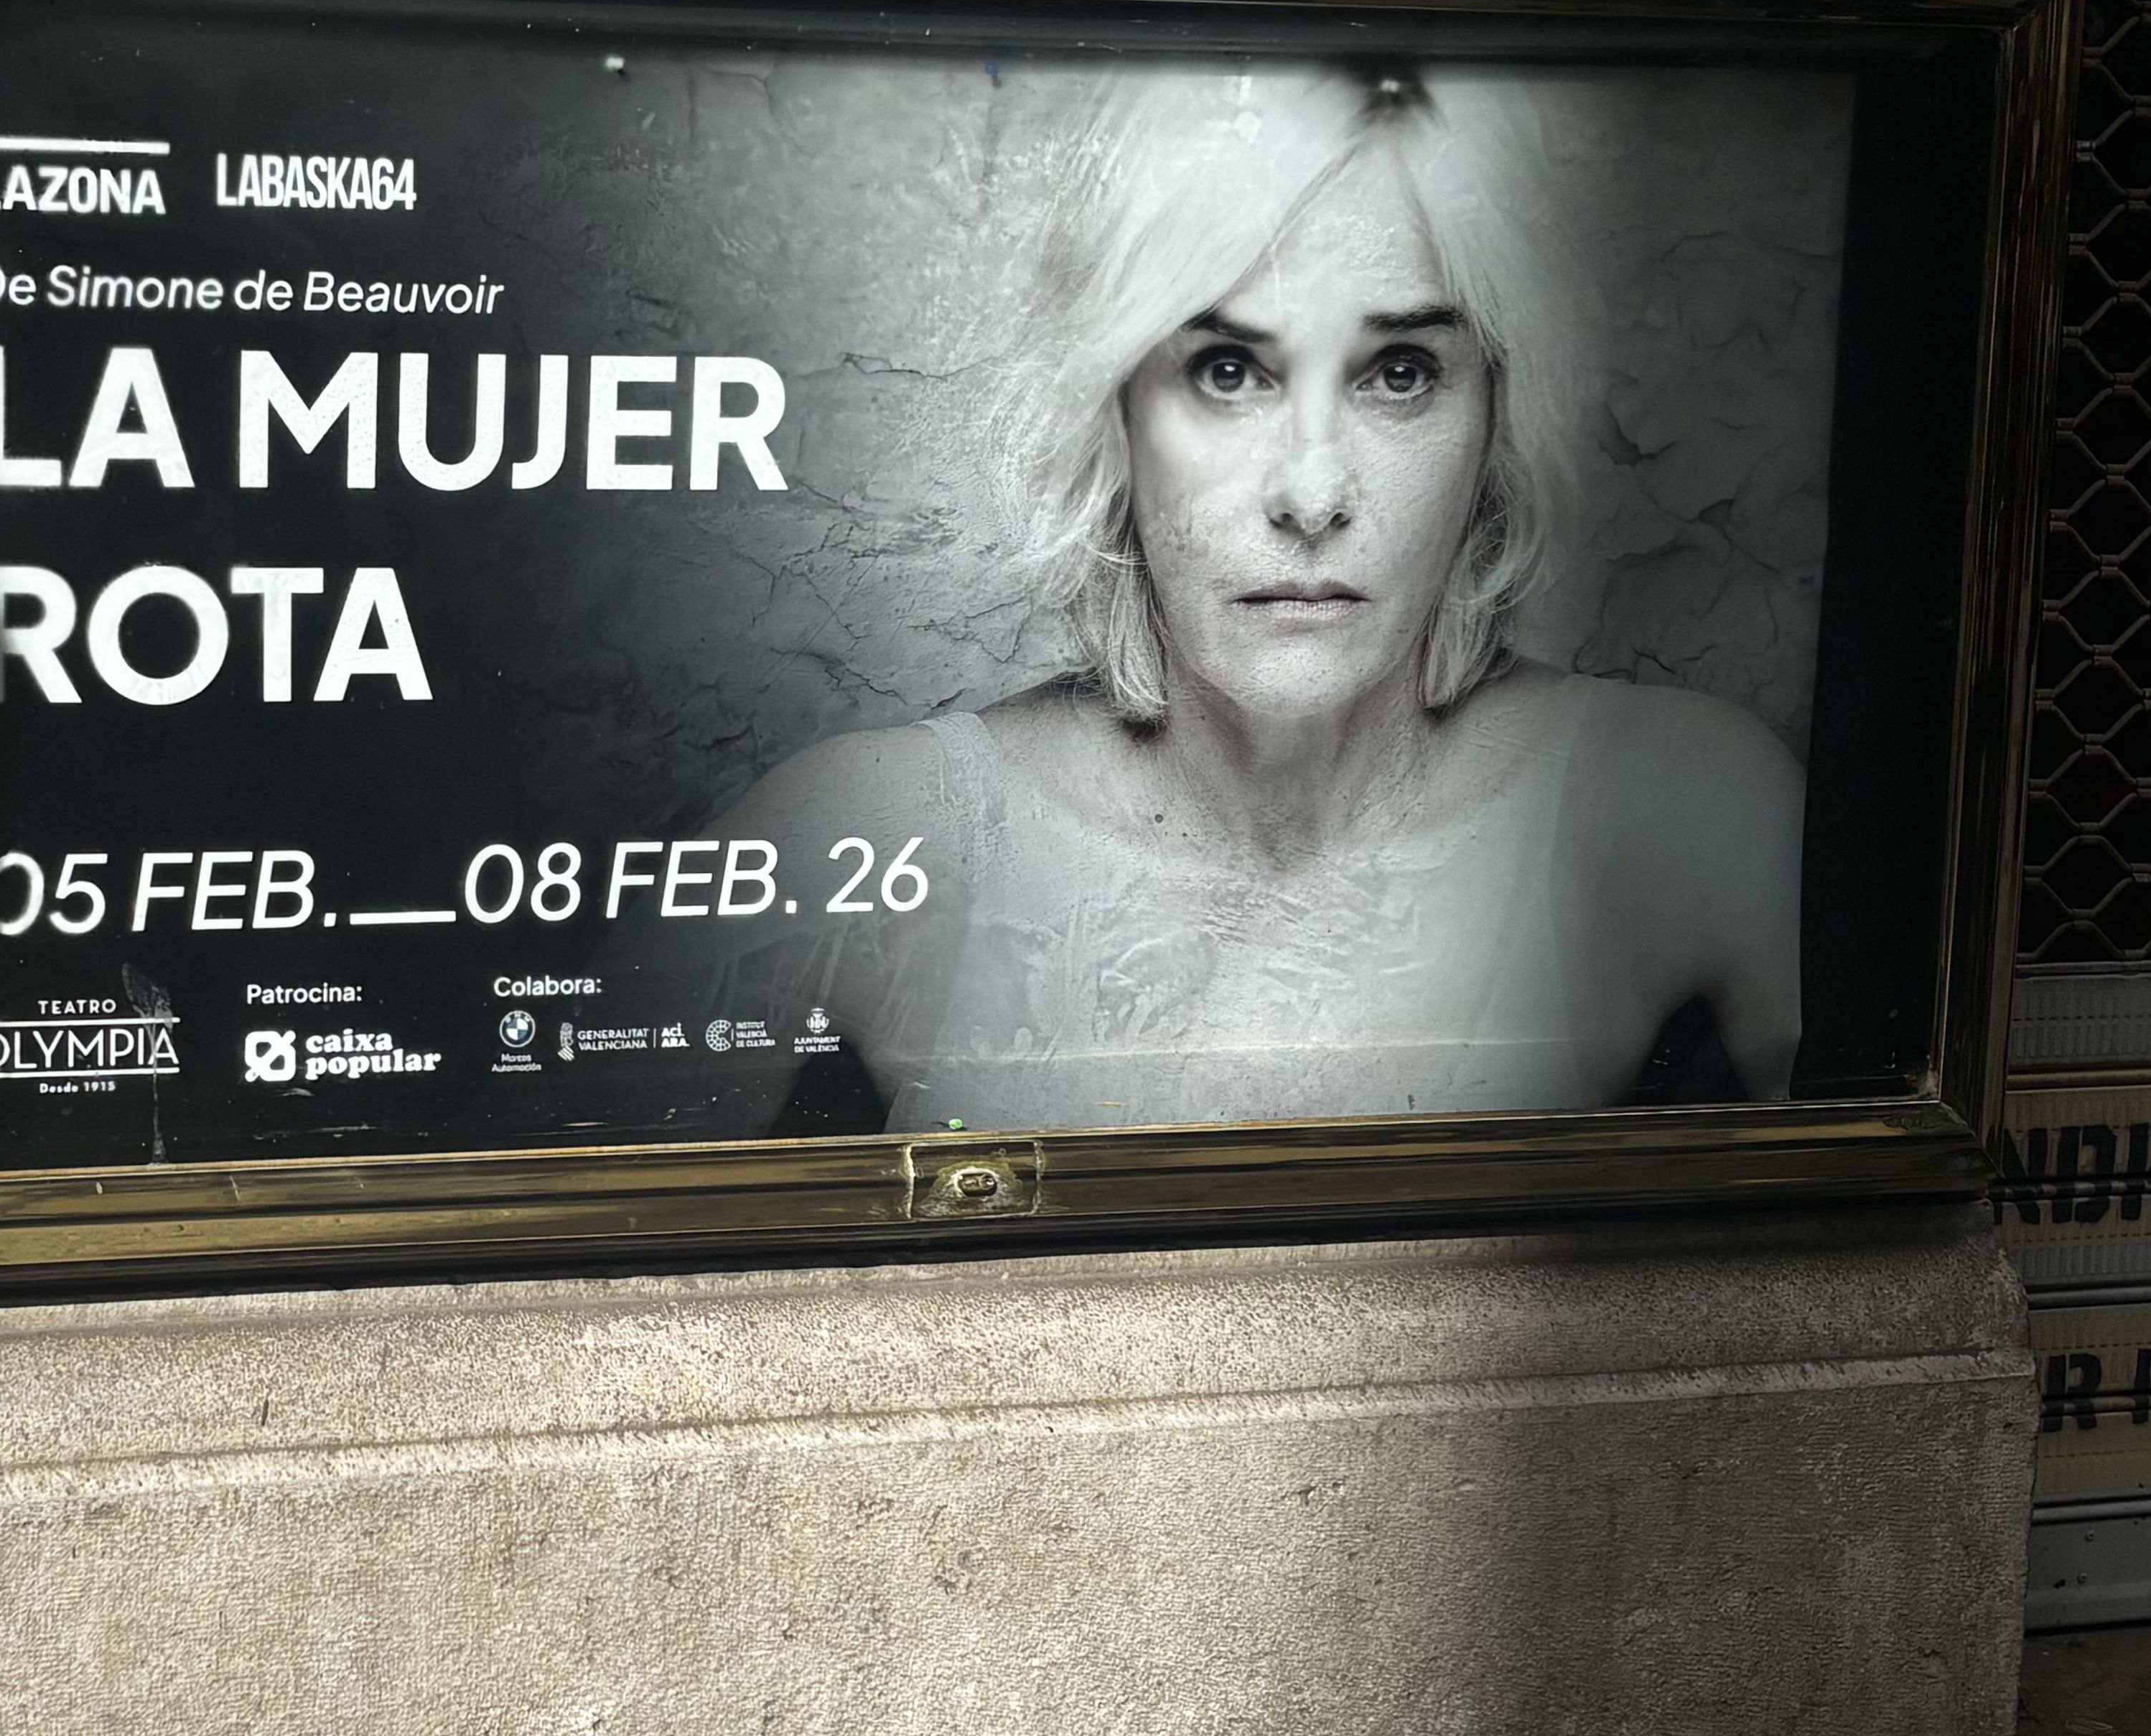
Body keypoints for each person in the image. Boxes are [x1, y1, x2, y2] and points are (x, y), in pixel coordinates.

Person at [686, 60, 1800, 1133]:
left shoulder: (1674, 804)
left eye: (1400, 371)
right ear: (1112, 413)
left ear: (1494, 420)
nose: (1312, 494)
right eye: (1229, 372)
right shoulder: (874, 837)